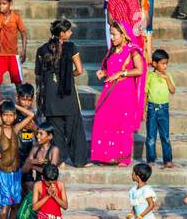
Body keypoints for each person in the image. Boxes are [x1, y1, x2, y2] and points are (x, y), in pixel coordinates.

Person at [33, 20, 88, 167]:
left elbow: (38, 73)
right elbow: (80, 70)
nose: (71, 33)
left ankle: (59, 160)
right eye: (69, 31)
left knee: (55, 128)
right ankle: (79, 160)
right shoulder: (71, 47)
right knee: (74, 127)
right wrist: (69, 75)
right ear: (62, 34)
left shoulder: (42, 49)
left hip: (50, 95)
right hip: (67, 92)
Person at [90, 21, 145, 166]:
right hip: (109, 91)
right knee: (104, 119)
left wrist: (122, 73)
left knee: (122, 124)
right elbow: (110, 69)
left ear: (124, 35)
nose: (112, 38)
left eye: (114, 34)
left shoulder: (132, 50)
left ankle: (123, 158)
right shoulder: (112, 50)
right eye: (111, 34)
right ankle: (106, 156)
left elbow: (139, 70)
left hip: (125, 93)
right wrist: (104, 73)